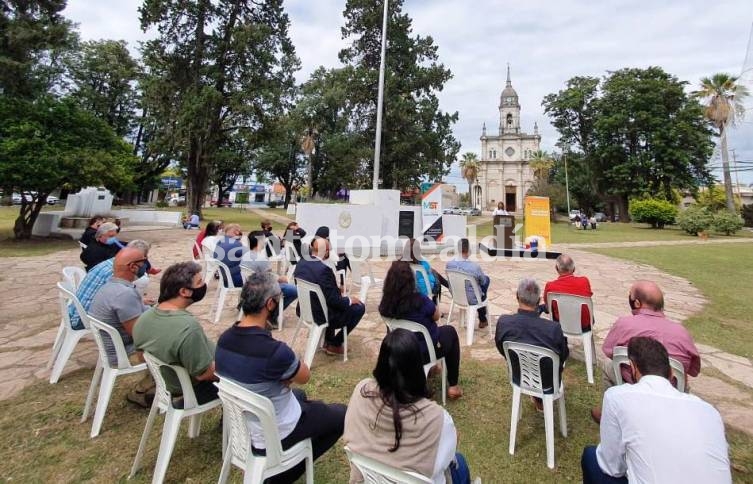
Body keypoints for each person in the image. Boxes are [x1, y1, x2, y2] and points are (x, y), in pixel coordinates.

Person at [215, 271, 345, 484]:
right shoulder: (274, 352)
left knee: (300, 395)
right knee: (340, 414)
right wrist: (286, 368)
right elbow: (304, 375)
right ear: (270, 304)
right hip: (273, 431)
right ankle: (281, 474)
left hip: (246, 418)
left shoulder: (225, 340)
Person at [581, 337, 731, 484]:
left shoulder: (617, 397)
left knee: (590, 456)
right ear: (672, 372)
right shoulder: (709, 412)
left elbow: (612, 467)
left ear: (633, 368)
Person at [343, 329, 472, 484]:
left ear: (381, 362)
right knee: (460, 464)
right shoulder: (436, 418)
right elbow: (447, 456)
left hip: (368, 478)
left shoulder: (361, 391)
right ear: (417, 368)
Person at [133, 261, 218, 405]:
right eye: (199, 282)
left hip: (167, 381)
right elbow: (205, 374)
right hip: (193, 388)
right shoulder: (188, 327)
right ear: (184, 291)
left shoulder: (144, 318)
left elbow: (141, 356)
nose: (204, 285)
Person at [379, 261, 462, 400]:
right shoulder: (420, 300)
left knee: (441, 333)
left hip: (399, 351)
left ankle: (432, 369)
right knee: (450, 332)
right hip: (424, 351)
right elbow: (436, 316)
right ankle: (453, 385)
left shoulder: (385, 304)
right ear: (411, 281)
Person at [601, 280, 700, 388]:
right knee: (684, 379)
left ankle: (611, 402)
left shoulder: (624, 324)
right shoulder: (682, 333)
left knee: (608, 364)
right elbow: (693, 370)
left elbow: (609, 351)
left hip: (631, 385)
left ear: (637, 303)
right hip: (670, 392)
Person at [89, 247, 154, 407]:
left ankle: (152, 386)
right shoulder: (124, 294)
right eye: (143, 262)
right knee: (176, 343)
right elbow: (139, 335)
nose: (146, 266)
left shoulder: (109, 287)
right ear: (133, 267)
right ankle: (143, 391)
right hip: (124, 353)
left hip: (112, 348)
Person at [495, 278, 569, 407]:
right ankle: (539, 399)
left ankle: (538, 398)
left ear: (517, 297)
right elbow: (563, 356)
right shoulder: (552, 328)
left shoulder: (504, 322)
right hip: (548, 381)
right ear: (539, 300)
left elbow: (502, 349)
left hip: (519, 375)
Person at [293, 237, 365, 356]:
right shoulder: (324, 270)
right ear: (325, 252)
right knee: (359, 307)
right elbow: (334, 300)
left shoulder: (301, 263)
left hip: (305, 309)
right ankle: (335, 344)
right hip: (321, 315)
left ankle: (328, 340)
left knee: (327, 302)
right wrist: (349, 300)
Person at [68, 240, 154, 330]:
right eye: (144, 258)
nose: (145, 262)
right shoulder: (117, 276)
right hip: (83, 319)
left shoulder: (111, 263)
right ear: (133, 264)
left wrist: (138, 302)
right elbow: (135, 329)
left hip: (74, 312)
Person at [241, 230, 297, 309]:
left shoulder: (245, 255)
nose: (265, 241)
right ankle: (274, 312)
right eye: (264, 239)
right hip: (261, 289)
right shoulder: (261, 259)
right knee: (294, 290)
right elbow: (270, 278)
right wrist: (282, 278)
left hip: (250, 286)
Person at [541, 254, 594, 330]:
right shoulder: (584, 281)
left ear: (557, 268)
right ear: (574, 269)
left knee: (546, 307)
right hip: (584, 325)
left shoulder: (550, 286)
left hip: (561, 325)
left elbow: (548, 306)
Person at [446, 238, 490, 329]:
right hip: (472, 299)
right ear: (468, 250)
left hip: (457, 296)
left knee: (480, 285)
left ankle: (483, 318)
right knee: (486, 280)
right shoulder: (474, 267)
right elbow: (483, 282)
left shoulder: (449, 264)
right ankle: (482, 318)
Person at [403, 238, 448, 303]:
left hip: (407, 292)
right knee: (435, 279)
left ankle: (448, 285)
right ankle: (435, 305)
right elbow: (431, 280)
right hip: (423, 291)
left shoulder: (401, 264)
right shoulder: (424, 264)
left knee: (433, 272)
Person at [213, 223, 247, 288]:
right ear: (236, 232)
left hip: (224, 278)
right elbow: (250, 257)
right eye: (240, 232)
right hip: (235, 280)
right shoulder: (236, 244)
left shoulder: (220, 242)